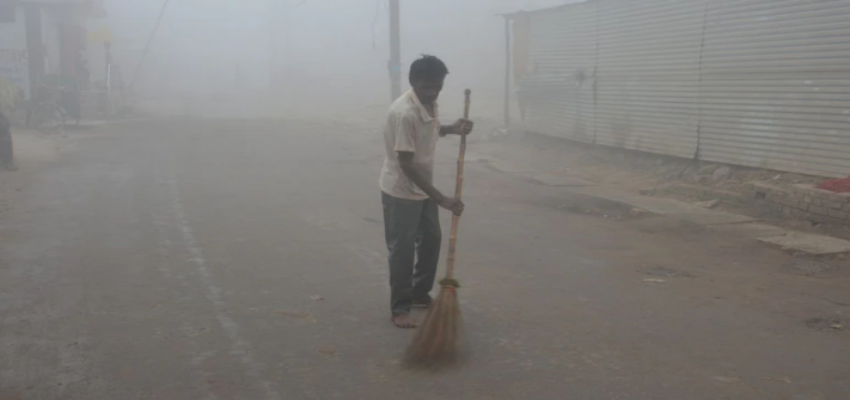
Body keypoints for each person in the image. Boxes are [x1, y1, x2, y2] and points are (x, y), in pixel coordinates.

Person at [379, 55, 473, 328]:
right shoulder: (405, 112)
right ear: (413, 82)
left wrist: (451, 129)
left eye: (437, 86)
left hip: (422, 188)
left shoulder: (428, 103)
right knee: (403, 250)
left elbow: (427, 130)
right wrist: (441, 198)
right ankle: (400, 308)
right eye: (426, 87)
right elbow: (405, 164)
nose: (432, 92)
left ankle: (420, 294)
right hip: (401, 190)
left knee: (431, 240)